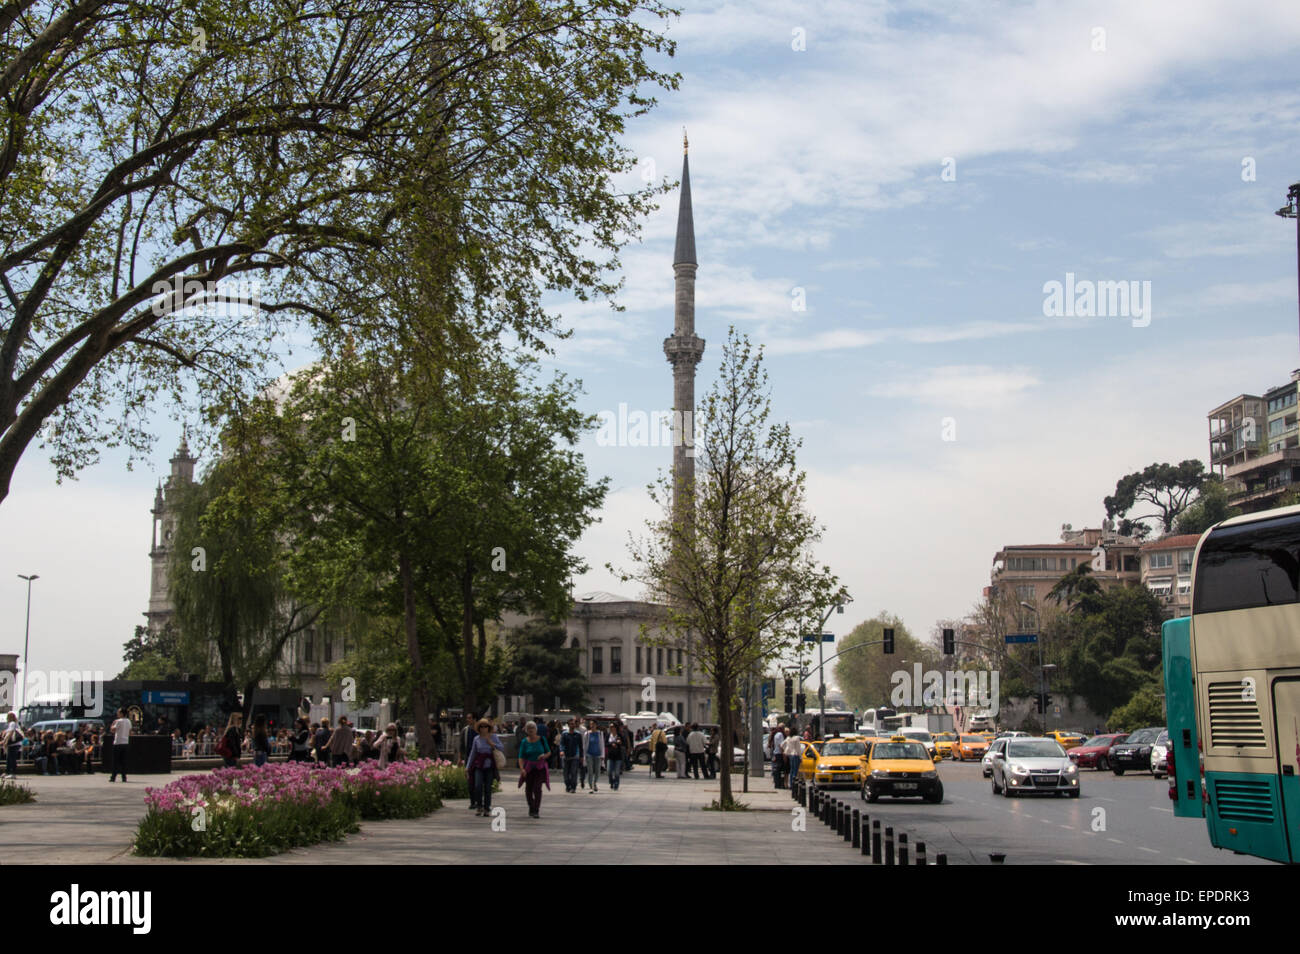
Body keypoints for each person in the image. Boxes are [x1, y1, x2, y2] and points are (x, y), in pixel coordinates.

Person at [465, 719, 503, 817]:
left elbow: (501, 747)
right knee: (477, 786)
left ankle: (487, 807)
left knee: (487, 788)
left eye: (485, 726)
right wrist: (468, 766)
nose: (483, 728)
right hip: (479, 765)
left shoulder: (493, 737)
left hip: (489, 765)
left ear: (489, 727)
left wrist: (492, 744)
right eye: (481, 726)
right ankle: (479, 806)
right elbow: (473, 753)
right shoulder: (476, 739)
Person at [517, 720, 551, 818]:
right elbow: (520, 756)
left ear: (536, 729)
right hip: (529, 768)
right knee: (528, 789)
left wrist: (543, 756)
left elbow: (549, 752)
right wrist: (522, 769)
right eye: (529, 728)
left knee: (537, 788)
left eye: (532, 728)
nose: (531, 730)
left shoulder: (542, 739)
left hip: (539, 767)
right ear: (526, 730)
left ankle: (536, 809)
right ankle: (531, 807)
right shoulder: (524, 741)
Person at [108, 708, 132, 782]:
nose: (117, 713)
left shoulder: (118, 721)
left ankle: (113, 777)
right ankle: (124, 777)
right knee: (123, 761)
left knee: (116, 761)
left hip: (118, 742)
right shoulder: (128, 721)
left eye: (118, 712)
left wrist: (112, 724)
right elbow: (130, 731)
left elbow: (112, 730)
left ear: (121, 713)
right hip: (125, 742)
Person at [581, 719, 604, 793]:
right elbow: (584, 746)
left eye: (593, 724)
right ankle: (591, 787)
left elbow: (602, 745)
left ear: (596, 725)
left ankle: (595, 783)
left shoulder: (600, 733)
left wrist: (602, 755)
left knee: (597, 771)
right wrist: (584, 756)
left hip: (597, 755)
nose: (592, 725)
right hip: (589, 754)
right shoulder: (587, 734)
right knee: (590, 771)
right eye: (591, 724)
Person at [560, 720, 582, 792]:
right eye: (571, 724)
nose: (572, 725)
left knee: (573, 772)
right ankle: (567, 785)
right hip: (565, 756)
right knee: (565, 773)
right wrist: (562, 751)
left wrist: (581, 756)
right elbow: (562, 744)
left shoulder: (578, 734)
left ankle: (573, 787)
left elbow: (580, 746)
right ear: (568, 725)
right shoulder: (564, 734)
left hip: (575, 756)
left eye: (573, 724)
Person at [605, 724, 624, 790]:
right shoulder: (608, 735)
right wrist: (611, 744)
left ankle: (616, 784)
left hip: (618, 756)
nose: (611, 728)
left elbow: (623, 743)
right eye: (610, 727)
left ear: (615, 728)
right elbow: (605, 743)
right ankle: (611, 782)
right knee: (609, 771)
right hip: (610, 756)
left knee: (616, 772)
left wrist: (620, 742)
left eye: (612, 727)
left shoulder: (619, 735)